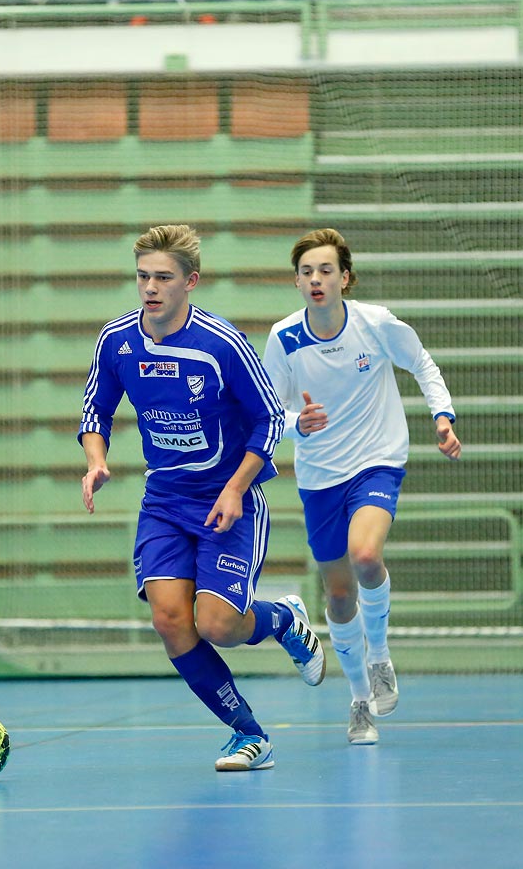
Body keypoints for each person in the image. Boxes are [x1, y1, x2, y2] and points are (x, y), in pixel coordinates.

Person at [79, 224, 324, 772]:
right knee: (170, 620)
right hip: (164, 501)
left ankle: (281, 620)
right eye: (142, 276)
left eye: (163, 277)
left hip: (227, 500)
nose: (150, 288)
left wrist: (237, 488)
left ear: (191, 281)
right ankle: (249, 734)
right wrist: (97, 461)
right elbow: (95, 409)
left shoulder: (222, 343)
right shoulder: (117, 341)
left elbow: (266, 421)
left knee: (217, 625)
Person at [262, 228, 461, 746]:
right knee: (339, 593)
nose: (316, 280)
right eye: (306, 272)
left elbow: (421, 363)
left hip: (377, 460)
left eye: (326, 270)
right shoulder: (284, 339)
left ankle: (379, 658)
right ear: (298, 283)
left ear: (345, 278)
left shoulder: (376, 324)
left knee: (366, 554)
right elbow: (267, 412)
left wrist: (442, 417)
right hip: (321, 476)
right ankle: (358, 700)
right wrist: (294, 424)